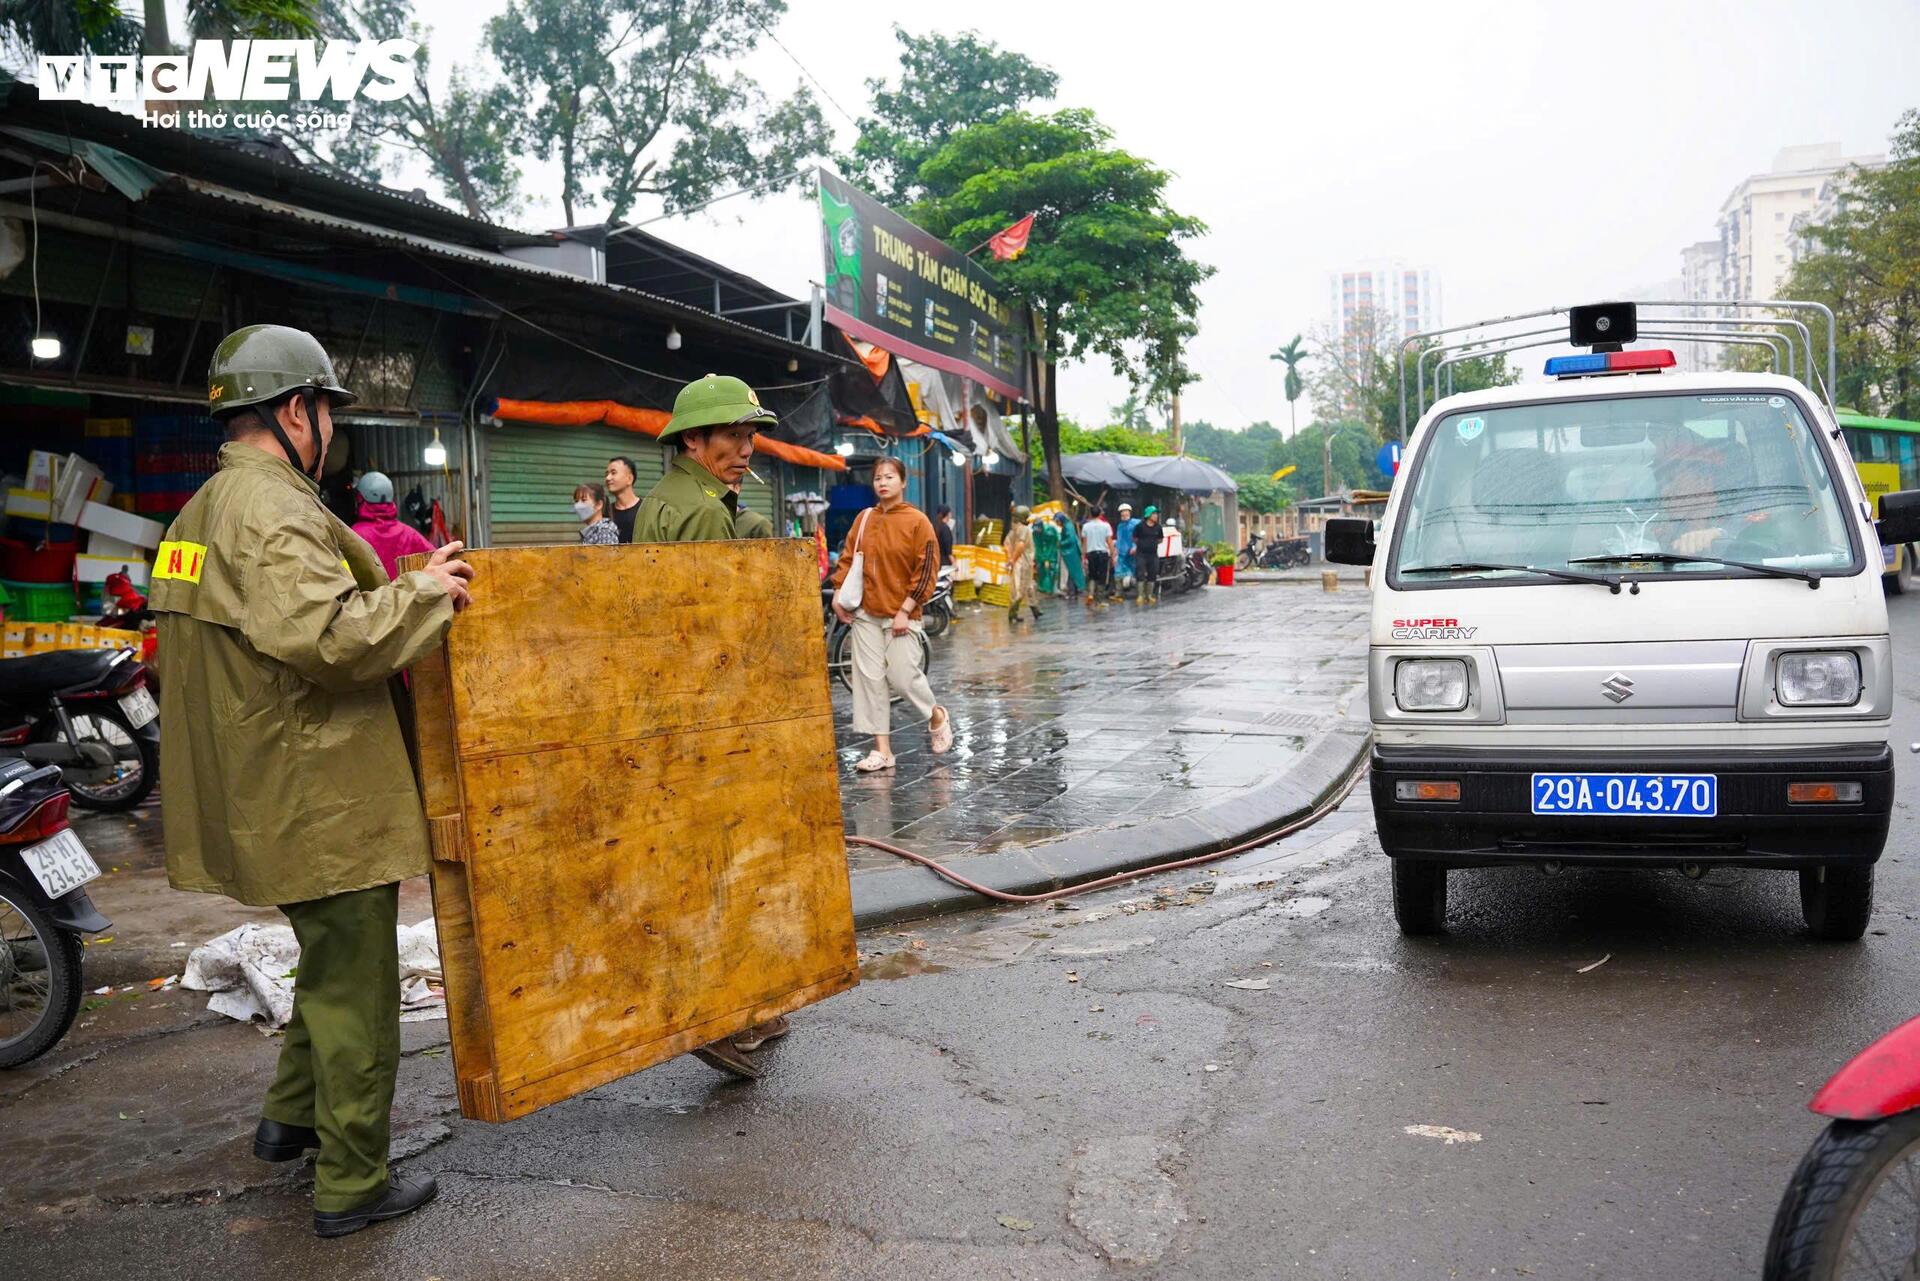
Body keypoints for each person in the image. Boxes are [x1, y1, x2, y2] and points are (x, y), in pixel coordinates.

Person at [152, 325, 476, 1239]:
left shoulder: (199, 514)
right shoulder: (276, 511)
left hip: (258, 791)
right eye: (328, 410)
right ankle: (351, 1182)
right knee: (357, 988)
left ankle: (290, 1122)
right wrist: (427, 591)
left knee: (330, 968)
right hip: (318, 795)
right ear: (296, 409)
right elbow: (328, 638)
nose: (331, 429)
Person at [629, 373, 789, 1074]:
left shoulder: (673, 502)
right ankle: (719, 1018)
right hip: (706, 714)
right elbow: (709, 629)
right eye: (732, 436)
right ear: (692, 439)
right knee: (721, 870)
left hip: (670, 709)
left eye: (751, 436)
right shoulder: (699, 512)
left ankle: (748, 1006)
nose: (746, 448)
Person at [829, 456, 952, 773]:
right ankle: (881, 750)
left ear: (903, 481)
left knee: (902, 676)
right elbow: (848, 559)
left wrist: (906, 609)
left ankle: (936, 715)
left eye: (889, 477)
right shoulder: (865, 518)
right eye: (877, 478)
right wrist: (839, 595)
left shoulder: (917, 521)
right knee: (869, 682)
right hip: (866, 613)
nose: (882, 483)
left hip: (901, 613)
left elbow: (926, 569)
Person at [349, 470, 436, 581]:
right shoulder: (409, 533)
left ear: (360, 498)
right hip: (408, 597)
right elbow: (436, 560)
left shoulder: (354, 534)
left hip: (372, 598)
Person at [1004, 505, 1040, 622]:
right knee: (1021, 590)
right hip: (1023, 563)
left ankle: (1034, 610)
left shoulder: (1013, 530)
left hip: (1019, 562)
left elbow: (1006, 544)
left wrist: (1010, 558)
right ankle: (1012, 613)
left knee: (1027, 586)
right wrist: (1013, 560)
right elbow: (1020, 545)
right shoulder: (1025, 529)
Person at [605, 456, 642, 543]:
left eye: (613, 473)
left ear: (629, 479)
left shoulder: (645, 510)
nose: (608, 478)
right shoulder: (605, 513)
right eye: (606, 474)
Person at [1081, 507, 1114, 604]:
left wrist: (1083, 556)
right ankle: (1100, 599)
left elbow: (1085, 543)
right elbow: (1109, 541)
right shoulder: (1106, 526)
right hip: (1103, 554)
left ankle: (1091, 594)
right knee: (1102, 576)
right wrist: (1112, 552)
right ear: (1100, 514)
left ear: (1090, 515)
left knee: (1092, 575)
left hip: (1091, 554)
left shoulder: (1086, 526)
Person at [1056, 511, 1087, 600]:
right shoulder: (1067, 525)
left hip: (1071, 552)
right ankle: (1073, 591)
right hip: (1070, 552)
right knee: (1072, 572)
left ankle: (1072, 592)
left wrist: (1061, 543)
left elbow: (1071, 539)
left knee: (1072, 572)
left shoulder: (1068, 527)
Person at [1136, 506, 1163, 602]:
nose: (1156, 516)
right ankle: (1140, 595)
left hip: (1153, 554)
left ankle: (1149, 595)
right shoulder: (1140, 526)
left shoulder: (1158, 527)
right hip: (1141, 554)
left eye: (1156, 514)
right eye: (1154, 514)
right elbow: (1135, 538)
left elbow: (1160, 539)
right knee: (1140, 573)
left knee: (1153, 573)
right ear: (1148, 515)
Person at [1114, 502, 1140, 598]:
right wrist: (1116, 549)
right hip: (1121, 552)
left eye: (1126, 513)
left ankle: (1138, 591)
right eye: (1122, 513)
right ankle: (1119, 592)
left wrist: (1135, 546)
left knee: (1133, 571)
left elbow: (1140, 536)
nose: (1124, 515)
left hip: (1132, 552)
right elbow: (1119, 538)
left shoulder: (1136, 523)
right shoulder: (1120, 526)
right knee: (1118, 572)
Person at [1033, 507, 1060, 595]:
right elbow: (1037, 545)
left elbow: (1057, 540)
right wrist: (1040, 557)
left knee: (1052, 571)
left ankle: (1051, 588)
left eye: (1038, 529)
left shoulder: (1051, 530)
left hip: (1052, 553)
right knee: (1041, 571)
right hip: (1041, 555)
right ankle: (1042, 587)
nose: (1037, 531)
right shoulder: (1035, 533)